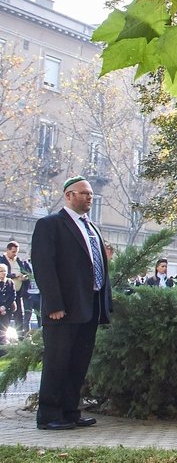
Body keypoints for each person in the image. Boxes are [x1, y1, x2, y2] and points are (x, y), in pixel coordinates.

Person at [30, 176, 112, 430]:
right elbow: (43, 266)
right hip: (62, 310)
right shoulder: (50, 225)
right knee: (57, 362)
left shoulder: (91, 227)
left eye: (91, 194)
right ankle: (49, 414)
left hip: (89, 307)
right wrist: (54, 304)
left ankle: (69, 410)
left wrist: (105, 304)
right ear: (68, 195)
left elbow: (98, 267)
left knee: (78, 362)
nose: (90, 197)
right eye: (84, 193)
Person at [4, 242, 33, 338]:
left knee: (19, 316)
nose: (14, 254)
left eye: (16, 252)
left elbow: (27, 272)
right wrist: (14, 275)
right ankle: (4, 340)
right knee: (5, 317)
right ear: (7, 250)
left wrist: (24, 277)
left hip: (18, 293)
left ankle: (20, 338)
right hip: (5, 295)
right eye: (13, 252)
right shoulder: (2, 260)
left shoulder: (19, 261)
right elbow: (3, 274)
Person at [0, 264, 16, 343]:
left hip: (7, 309)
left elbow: (12, 296)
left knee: (5, 327)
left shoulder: (10, 282)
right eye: (1, 271)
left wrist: (4, 307)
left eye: (5, 271)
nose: (3, 273)